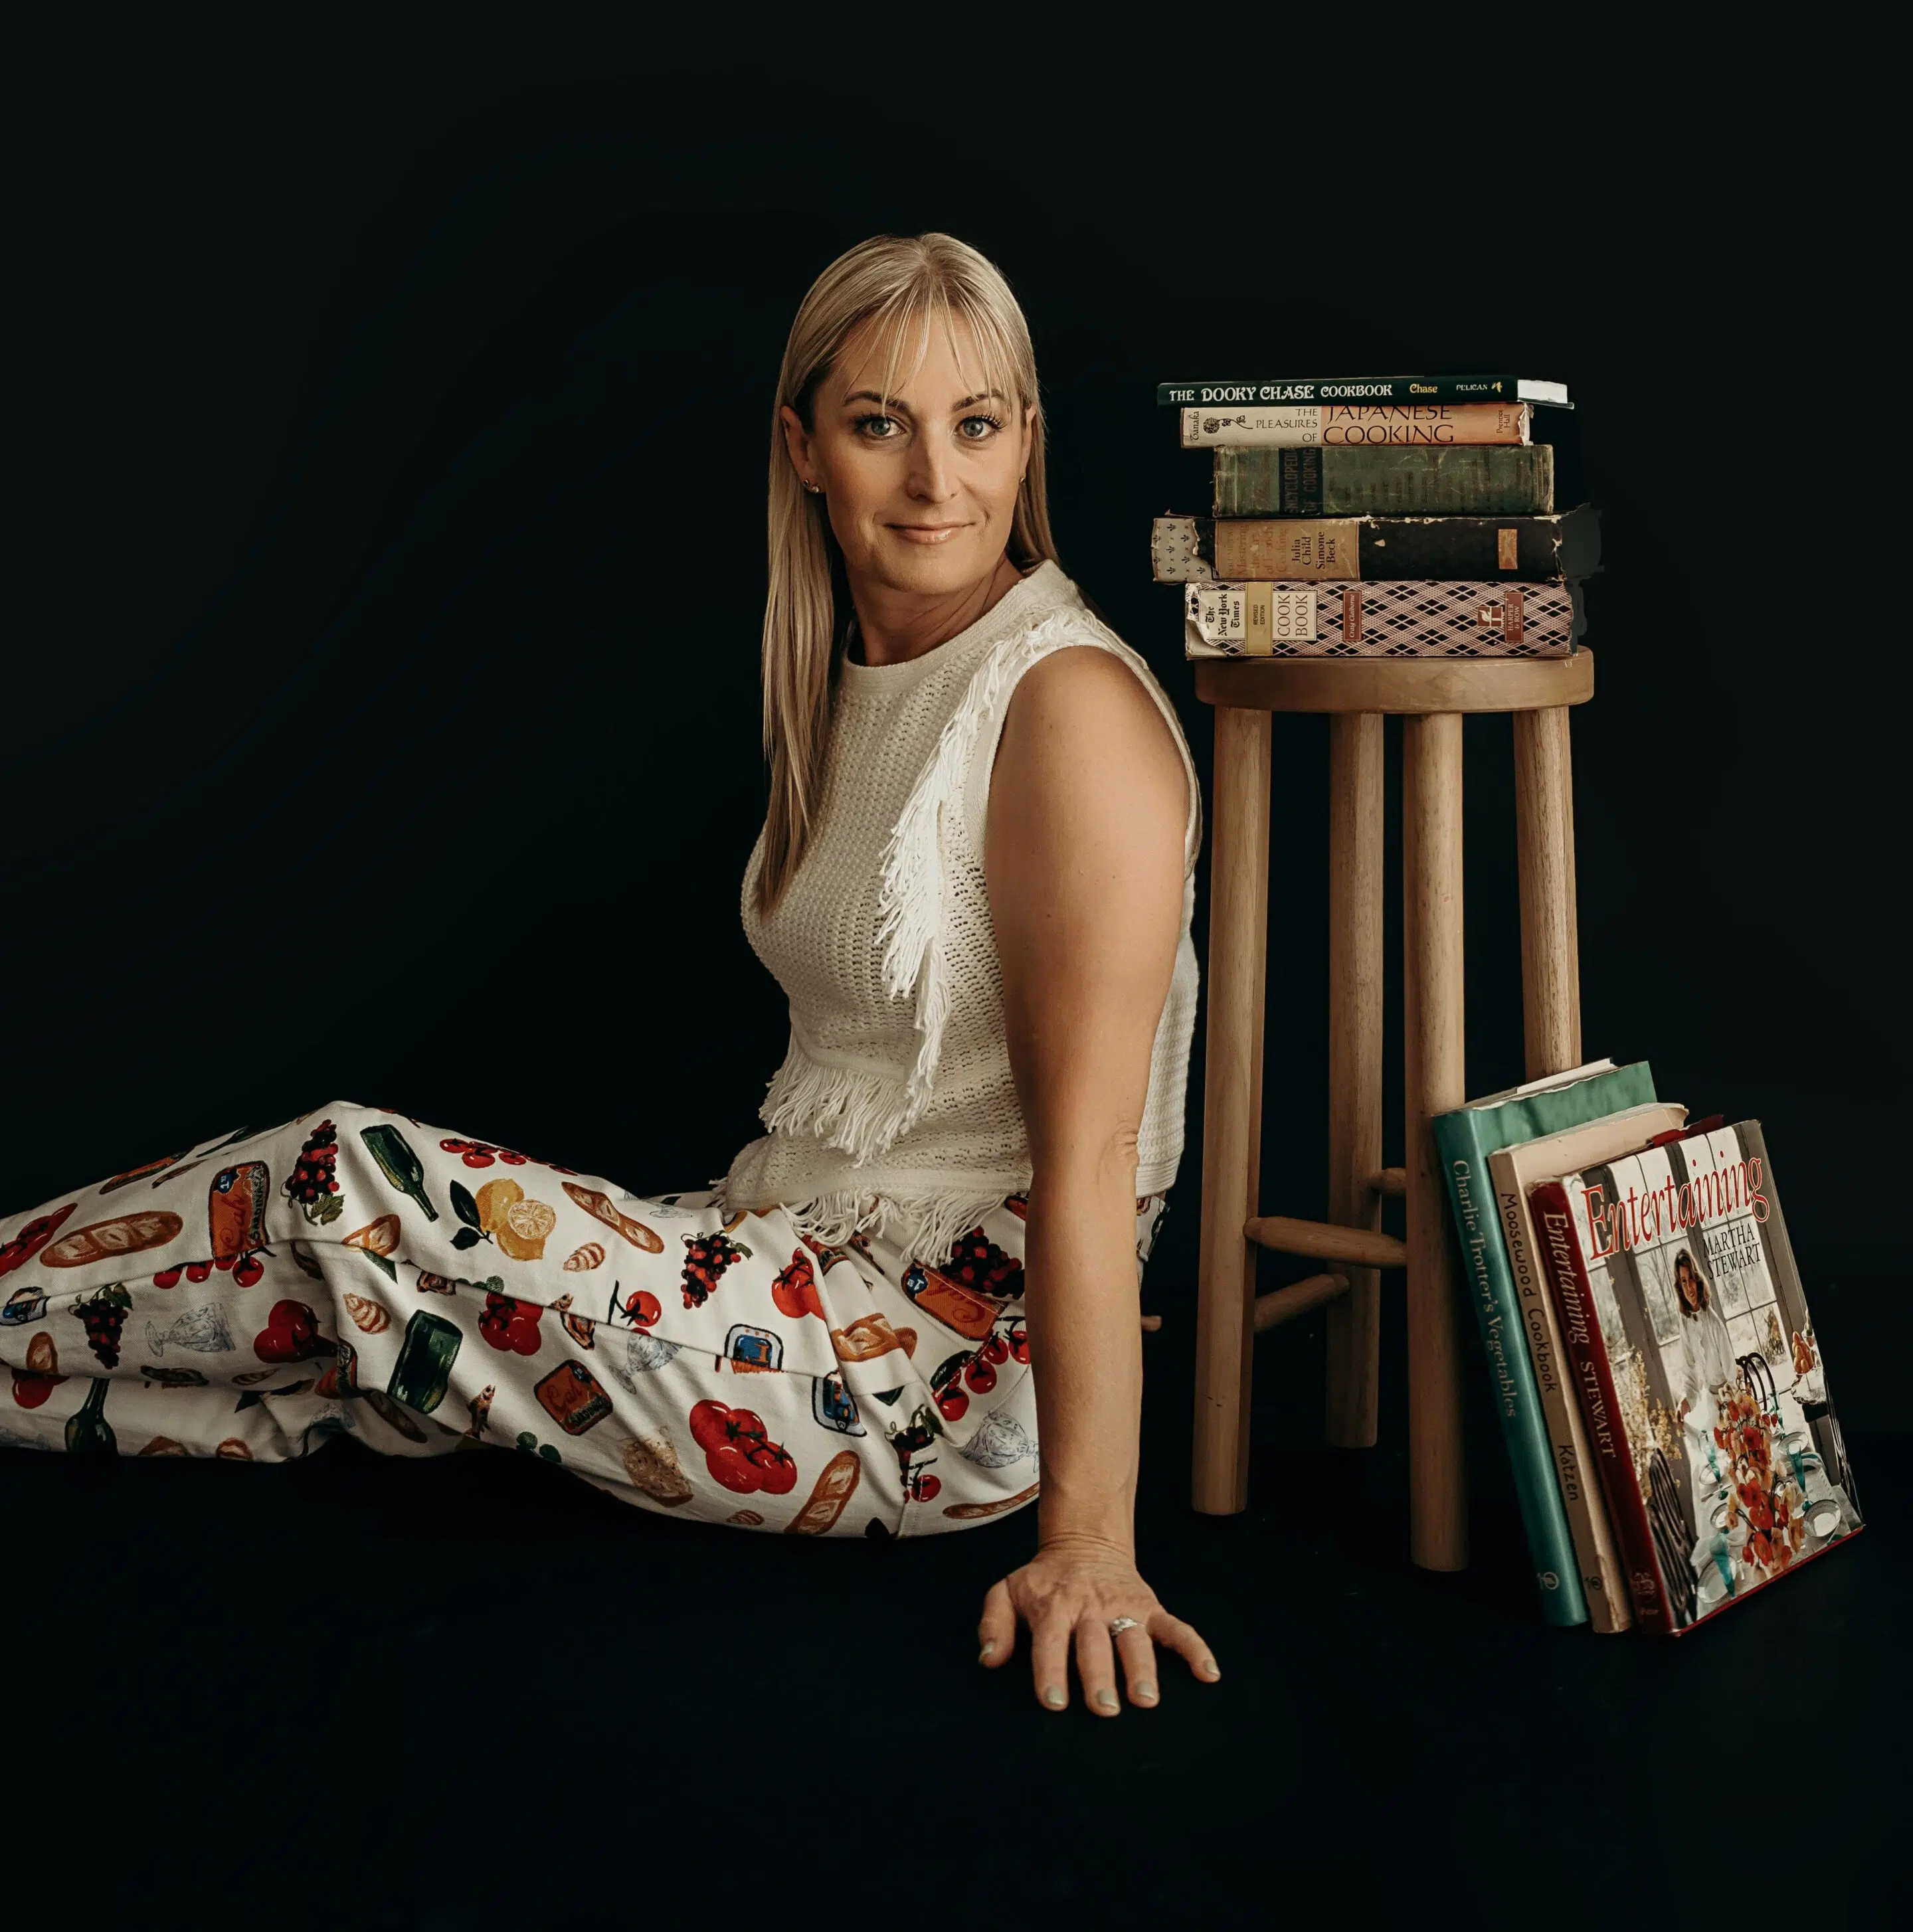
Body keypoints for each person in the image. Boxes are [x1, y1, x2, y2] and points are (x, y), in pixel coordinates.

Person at [0, 233, 1219, 1716]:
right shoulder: (866, 675)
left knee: (349, 1179)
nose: (936, 483)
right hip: (791, 1266)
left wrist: (1091, 1541)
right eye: (879, 423)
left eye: (978, 424)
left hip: (913, 1383)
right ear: (805, 449)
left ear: (1026, 438)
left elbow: (1091, 1157)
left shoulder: (1062, 705)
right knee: (329, 1347)